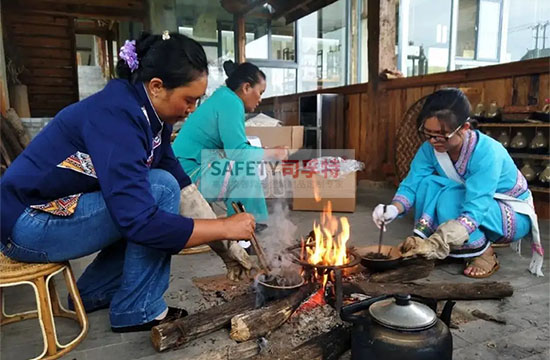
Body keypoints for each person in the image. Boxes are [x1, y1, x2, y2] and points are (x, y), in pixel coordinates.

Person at [0, 31, 256, 333]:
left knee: (154, 187)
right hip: (27, 224)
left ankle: (92, 293)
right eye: (189, 100)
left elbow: (181, 183)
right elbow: (139, 221)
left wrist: (226, 246)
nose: (192, 109)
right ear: (157, 87)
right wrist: (225, 226)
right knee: (156, 190)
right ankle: (138, 308)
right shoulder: (117, 116)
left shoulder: (148, 114)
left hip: (50, 213)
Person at [372, 88, 543, 278]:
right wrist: (393, 209)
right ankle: (456, 246)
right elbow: (413, 182)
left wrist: (435, 244)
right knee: (428, 184)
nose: (434, 141)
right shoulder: (429, 148)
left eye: (442, 135)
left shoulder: (487, 153)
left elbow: (476, 207)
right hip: (474, 206)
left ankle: (484, 253)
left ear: (464, 128)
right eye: (428, 134)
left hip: (509, 215)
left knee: (450, 197)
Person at [172, 60, 288, 226]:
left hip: (185, 169)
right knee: (243, 172)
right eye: (260, 92)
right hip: (186, 175)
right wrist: (274, 153)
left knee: (244, 168)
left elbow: (236, 147)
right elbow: (238, 153)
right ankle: (247, 232)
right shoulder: (231, 102)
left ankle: (249, 229)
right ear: (246, 87)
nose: (260, 99)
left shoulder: (224, 97)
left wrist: (263, 151)